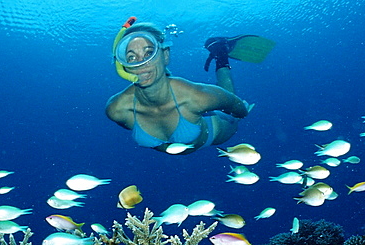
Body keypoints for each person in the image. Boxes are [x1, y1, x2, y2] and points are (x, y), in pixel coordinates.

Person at [105, 20, 273, 154]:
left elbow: (237, 108)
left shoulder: (197, 97)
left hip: (217, 129)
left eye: (149, 52)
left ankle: (221, 53)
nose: (142, 62)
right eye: (131, 57)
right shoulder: (116, 109)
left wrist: (241, 113)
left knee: (231, 106)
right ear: (122, 65)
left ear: (165, 55)